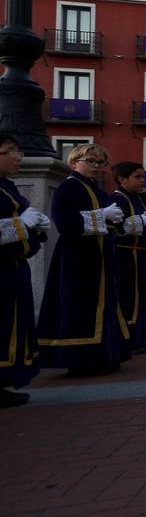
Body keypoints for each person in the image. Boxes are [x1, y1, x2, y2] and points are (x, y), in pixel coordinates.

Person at [37, 143, 133, 375]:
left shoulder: (96, 189)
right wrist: (102, 216)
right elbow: (65, 222)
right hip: (77, 258)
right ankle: (79, 359)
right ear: (74, 162)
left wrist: (118, 221)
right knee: (79, 306)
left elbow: (109, 223)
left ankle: (102, 355)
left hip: (99, 258)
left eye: (100, 163)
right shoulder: (69, 188)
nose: (96, 167)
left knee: (100, 305)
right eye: (90, 161)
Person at [0, 134, 48, 406]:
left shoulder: (7, 186)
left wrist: (36, 228)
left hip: (13, 267)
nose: (18, 157)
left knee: (10, 324)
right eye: (10, 152)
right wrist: (22, 225)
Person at [109, 162, 146, 354]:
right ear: (122, 179)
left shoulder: (137, 199)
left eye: (143, 177)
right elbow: (117, 228)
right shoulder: (116, 198)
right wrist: (140, 222)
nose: (142, 181)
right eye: (138, 177)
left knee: (142, 296)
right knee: (129, 297)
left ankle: (140, 337)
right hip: (124, 254)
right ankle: (128, 338)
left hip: (139, 253)